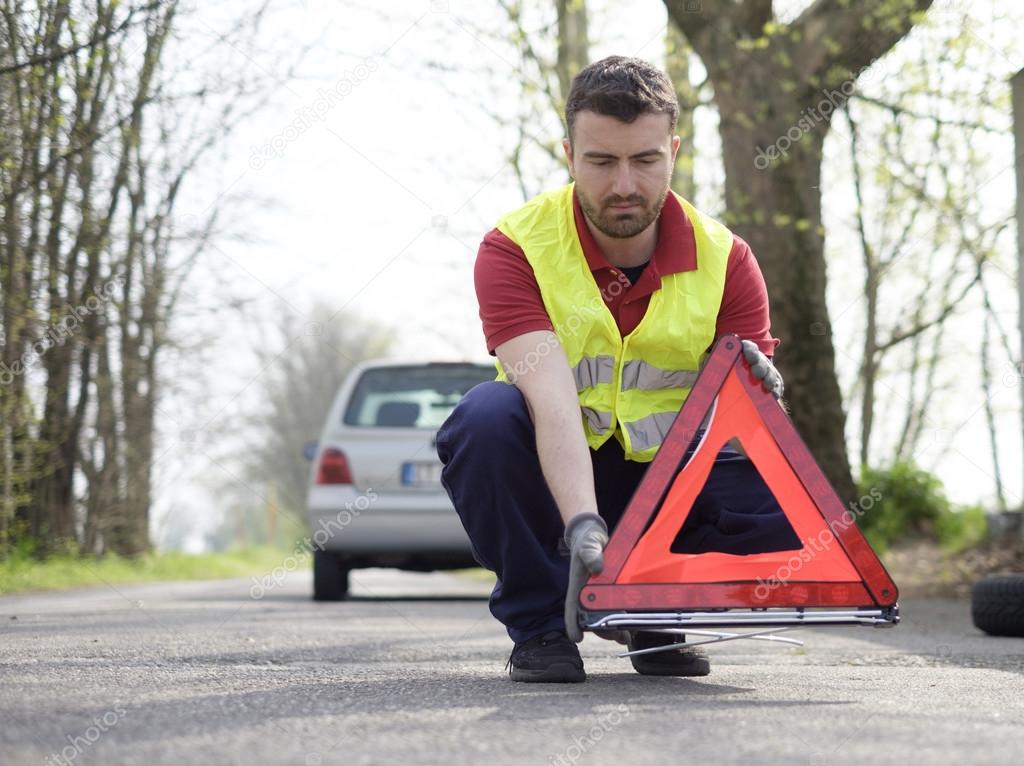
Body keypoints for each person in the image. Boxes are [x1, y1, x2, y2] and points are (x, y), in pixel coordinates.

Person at [436, 55, 800, 684]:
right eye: (602, 162)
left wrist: (766, 397)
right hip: (560, 478)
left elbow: (744, 432)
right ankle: (542, 626)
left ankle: (655, 608)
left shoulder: (728, 260)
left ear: (674, 151)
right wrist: (583, 525)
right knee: (483, 421)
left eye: (645, 160)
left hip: (667, 479)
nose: (624, 184)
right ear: (570, 153)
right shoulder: (514, 247)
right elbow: (551, 403)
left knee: (786, 499)